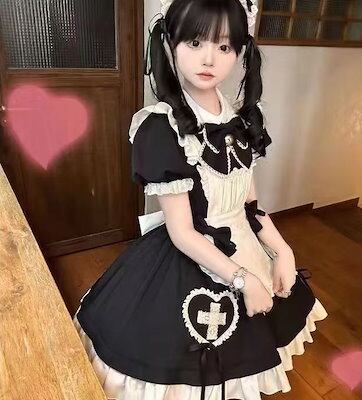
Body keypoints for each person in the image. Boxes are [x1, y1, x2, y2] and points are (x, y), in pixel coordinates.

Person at [73, 0, 328, 399]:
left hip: (245, 244)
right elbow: (182, 234)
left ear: (240, 51)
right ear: (171, 43)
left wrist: (283, 251)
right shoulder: (161, 127)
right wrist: (242, 279)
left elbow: (250, 208)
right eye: (194, 42)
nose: (209, 58)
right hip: (190, 253)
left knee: (252, 346)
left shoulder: (244, 121)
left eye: (224, 46)